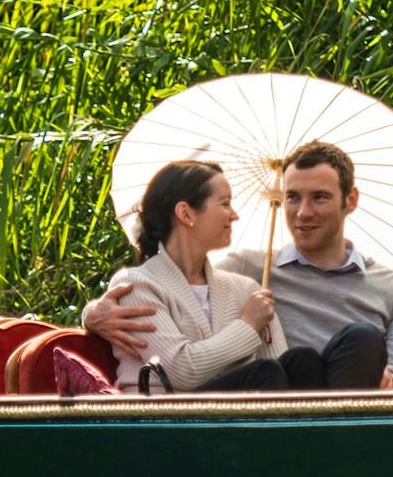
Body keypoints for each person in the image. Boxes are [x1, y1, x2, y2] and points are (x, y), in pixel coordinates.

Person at [87, 141, 393, 387]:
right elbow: (168, 280)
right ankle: (341, 456)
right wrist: (93, 314)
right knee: (344, 345)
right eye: (292, 197)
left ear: (350, 201)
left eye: (319, 198)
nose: (301, 212)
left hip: (375, 397)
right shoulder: (250, 270)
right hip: (299, 397)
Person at [103, 160, 329, 391]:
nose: (234, 215)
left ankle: (315, 427)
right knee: (264, 371)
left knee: (303, 360)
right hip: (168, 417)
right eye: (225, 203)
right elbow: (181, 372)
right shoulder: (136, 285)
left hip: (234, 411)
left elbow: (283, 374)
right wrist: (248, 324)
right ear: (185, 212)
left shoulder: (246, 289)